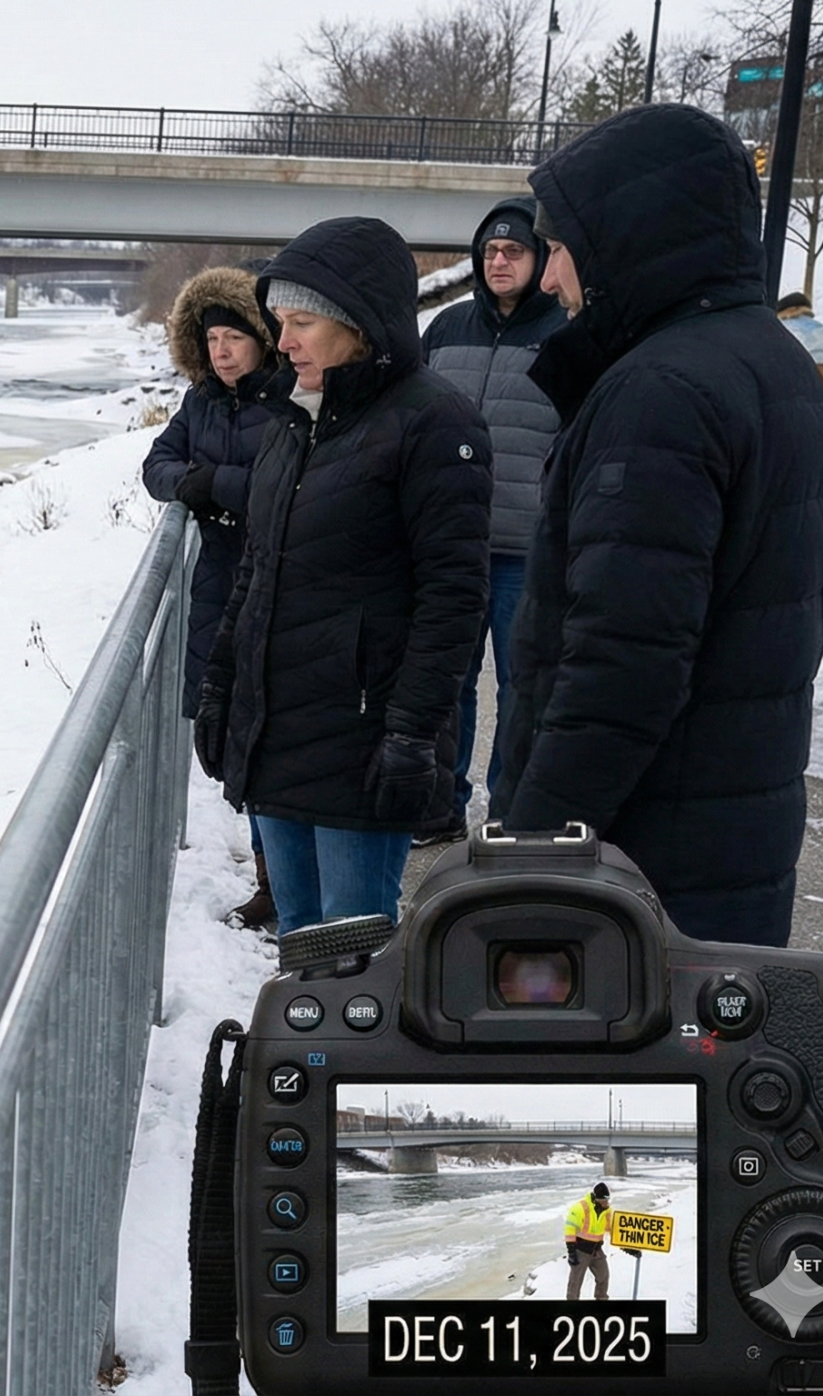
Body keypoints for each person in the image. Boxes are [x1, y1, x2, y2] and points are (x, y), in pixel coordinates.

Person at [495, 103, 823, 948]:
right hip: (729, 844)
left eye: (565, 247)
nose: (549, 278)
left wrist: (530, 855)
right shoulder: (774, 363)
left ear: (630, 237)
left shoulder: (660, 393)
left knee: (610, 1082)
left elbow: (623, 665)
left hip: (637, 872)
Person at [193, 217, 492, 935]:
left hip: (364, 739)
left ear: (359, 325)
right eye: (279, 323)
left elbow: (453, 600)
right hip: (280, 727)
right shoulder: (295, 421)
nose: (283, 342)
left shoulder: (435, 424)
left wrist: (413, 735)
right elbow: (256, 573)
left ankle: (349, 1055)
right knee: (298, 935)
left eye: (301, 323)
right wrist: (220, 688)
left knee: (351, 946)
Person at [142, 265, 290, 931]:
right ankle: (272, 877)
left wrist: (213, 485)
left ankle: (282, 882)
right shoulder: (200, 402)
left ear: (261, 338)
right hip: (218, 589)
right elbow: (156, 468)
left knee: (276, 737)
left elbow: (279, 483)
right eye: (212, 342)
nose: (223, 351)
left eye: (235, 336)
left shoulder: (290, 398)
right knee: (234, 736)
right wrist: (193, 482)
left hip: (280, 582)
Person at [418, 197, 567, 847]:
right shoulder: (446, 330)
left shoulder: (568, 331)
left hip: (526, 548)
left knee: (521, 686)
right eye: (490, 252)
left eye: (514, 251)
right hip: (450, 543)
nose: (500, 261)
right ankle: (440, 806)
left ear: (539, 260)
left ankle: (508, 813)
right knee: (445, 683)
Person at [565, 1181, 613, 1301]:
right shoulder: (581, 1207)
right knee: (575, 1281)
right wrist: (571, 1252)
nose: (607, 1202)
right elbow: (570, 1228)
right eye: (604, 1199)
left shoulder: (607, 1211)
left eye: (608, 1199)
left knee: (603, 1276)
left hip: (596, 1250)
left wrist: (628, 1247)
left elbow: (612, 1230)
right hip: (580, 1250)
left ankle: (601, 1299)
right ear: (597, 1198)